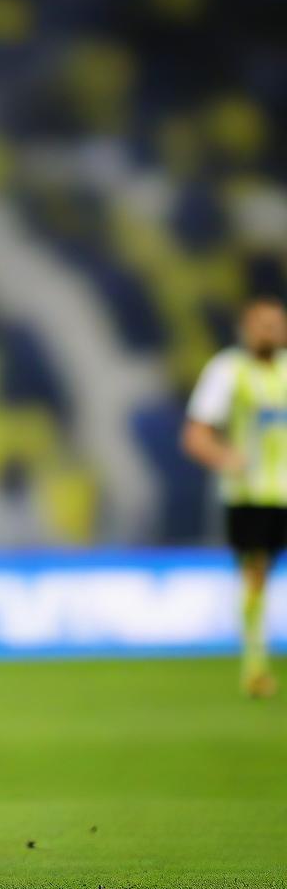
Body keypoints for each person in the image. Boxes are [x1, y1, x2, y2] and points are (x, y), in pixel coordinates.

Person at [183, 296, 287, 698]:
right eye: (262, 325)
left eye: (276, 324)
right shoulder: (228, 371)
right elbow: (195, 435)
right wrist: (225, 457)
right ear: (246, 328)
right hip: (251, 494)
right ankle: (255, 663)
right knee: (255, 574)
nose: (270, 332)